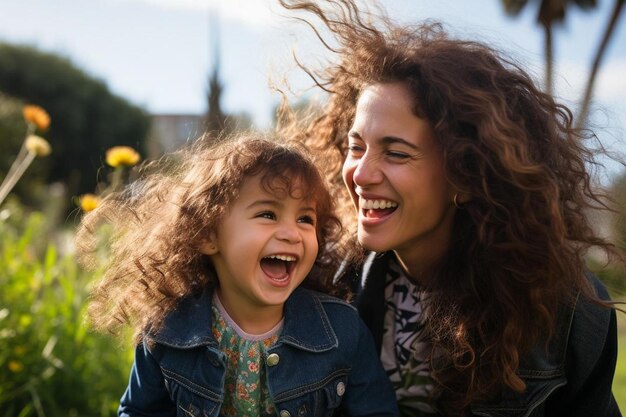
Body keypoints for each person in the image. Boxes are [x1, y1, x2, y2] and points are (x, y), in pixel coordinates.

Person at [278, 1, 625, 416]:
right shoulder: (327, 289)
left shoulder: (565, 309)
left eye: (397, 153)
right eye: (356, 147)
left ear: (464, 175)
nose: (361, 174)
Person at [76, 134, 400, 417]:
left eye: (305, 219)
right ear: (207, 235)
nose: (292, 233)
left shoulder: (342, 330)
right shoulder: (167, 331)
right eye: (267, 214)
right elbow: (138, 411)